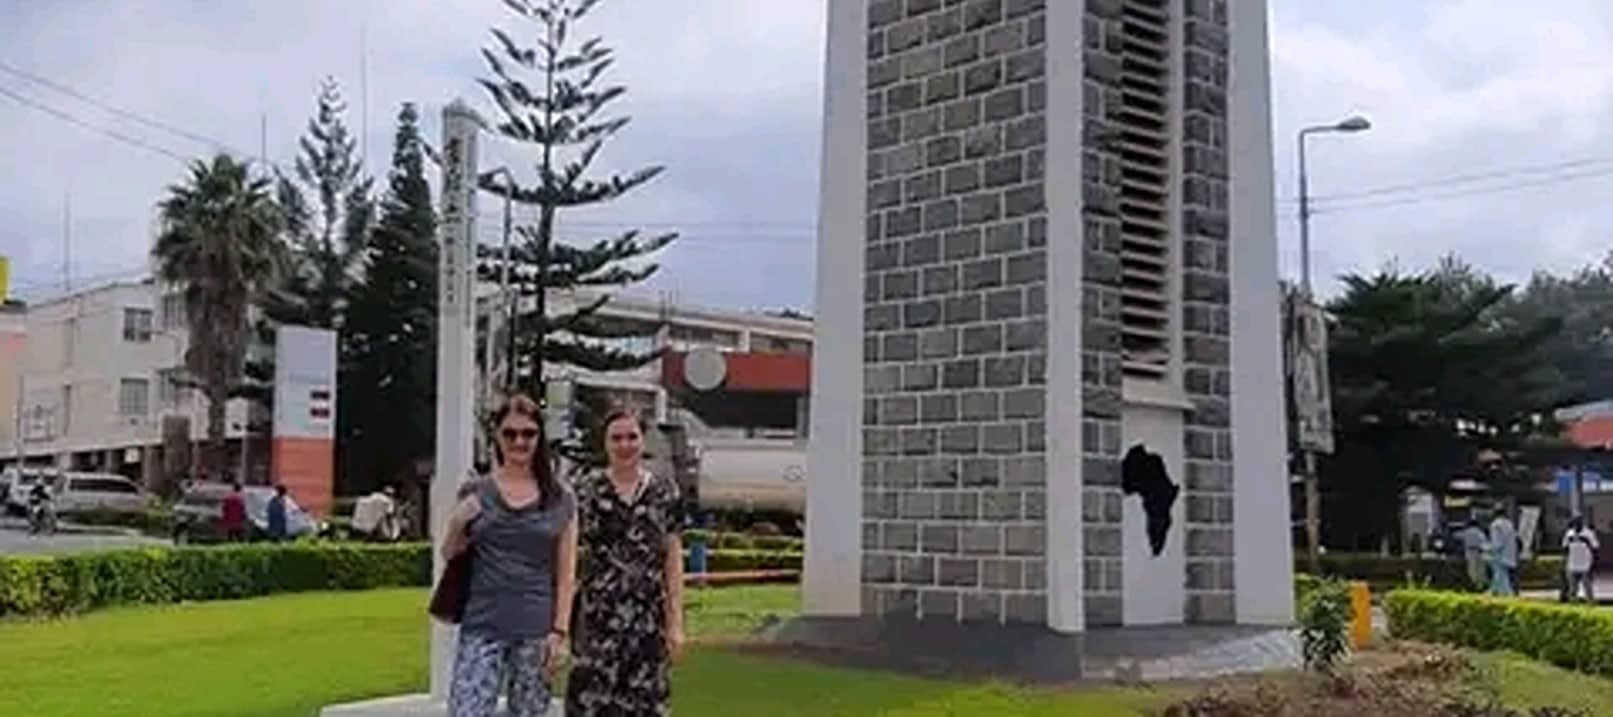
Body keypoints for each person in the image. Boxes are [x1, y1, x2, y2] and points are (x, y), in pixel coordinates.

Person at [441, 394, 577, 717]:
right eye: (510, 433)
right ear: (497, 437)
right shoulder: (476, 491)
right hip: (482, 625)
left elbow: (566, 571)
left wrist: (559, 632)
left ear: (539, 437)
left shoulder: (559, 497)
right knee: (467, 710)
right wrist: (457, 522)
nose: (519, 441)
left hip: (535, 628)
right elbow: (450, 553)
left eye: (528, 433)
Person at [566, 407, 686, 717]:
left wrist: (675, 623)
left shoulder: (664, 493)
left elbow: (672, 560)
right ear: (605, 444)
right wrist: (560, 624)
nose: (624, 445)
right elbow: (567, 558)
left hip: (647, 627)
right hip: (597, 625)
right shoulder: (586, 492)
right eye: (616, 438)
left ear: (643, 440)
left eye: (631, 437)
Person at [1563, 515, 1600, 603]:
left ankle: (1590, 601)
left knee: (1587, 585)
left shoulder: (1588, 533)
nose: (1577, 524)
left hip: (1585, 563)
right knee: (1572, 586)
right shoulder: (1569, 533)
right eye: (1575, 522)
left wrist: (1593, 562)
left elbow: (1595, 547)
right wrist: (1566, 560)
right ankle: (1573, 602)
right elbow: (1565, 547)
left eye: (1578, 522)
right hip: (1572, 563)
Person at [1488, 509, 1519, 596]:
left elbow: (1496, 542)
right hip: (1510, 552)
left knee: (1500, 574)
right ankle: (1493, 591)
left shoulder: (1495, 525)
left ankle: (1507, 593)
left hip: (1500, 553)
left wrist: (1490, 549)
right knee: (1501, 574)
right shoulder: (1509, 524)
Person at [1458, 518, 1490, 590]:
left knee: (1472, 569)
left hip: (1469, 551)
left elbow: (1459, 537)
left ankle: (1475, 584)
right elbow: (1484, 542)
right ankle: (1482, 584)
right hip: (1480, 551)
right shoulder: (1480, 532)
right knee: (1481, 569)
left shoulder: (1466, 532)